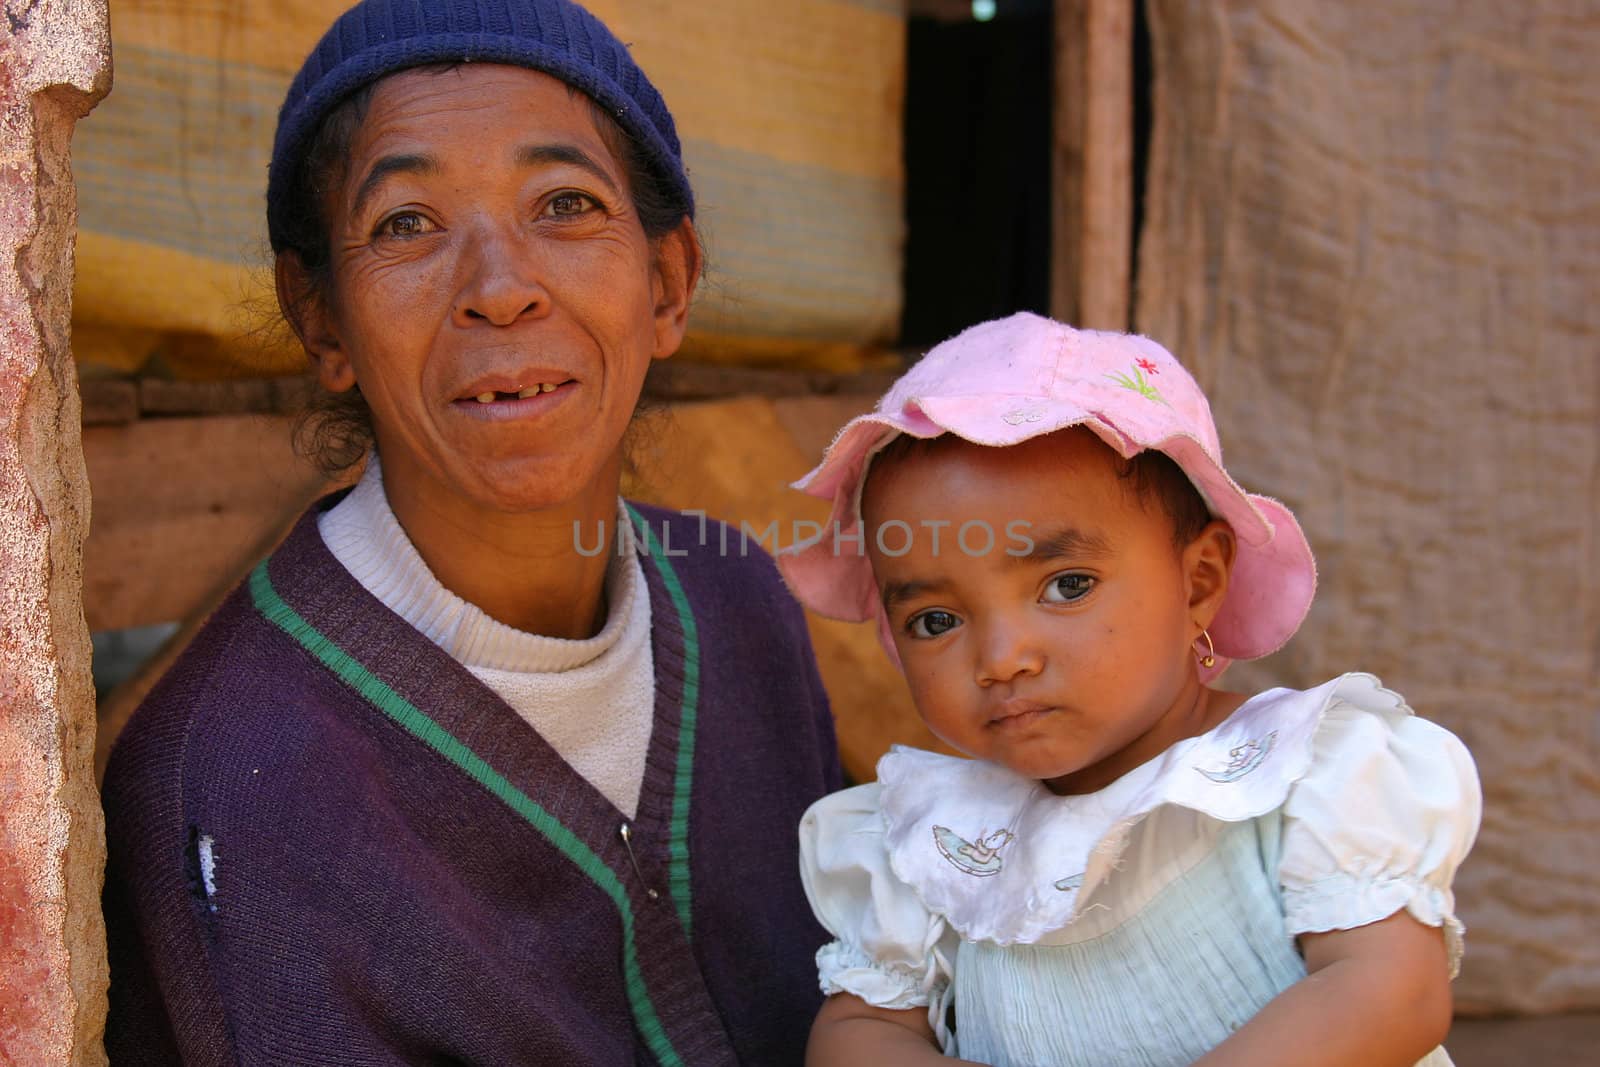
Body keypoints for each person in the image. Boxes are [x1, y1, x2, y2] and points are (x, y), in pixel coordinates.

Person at [99, 1, 841, 1063]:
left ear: (667, 281)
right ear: (321, 318)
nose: (499, 288)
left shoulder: (740, 607)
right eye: (406, 222)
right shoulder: (229, 783)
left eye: (565, 204)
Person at [777, 313, 1480, 1066]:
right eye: (936, 618)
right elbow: (858, 1035)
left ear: (1199, 581)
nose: (1002, 657)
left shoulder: (1303, 773)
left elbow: (1390, 989)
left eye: (1066, 584)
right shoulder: (937, 844)